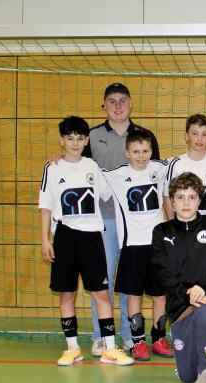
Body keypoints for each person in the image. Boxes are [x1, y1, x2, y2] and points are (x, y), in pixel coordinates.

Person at [39, 116, 133, 366]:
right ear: (61, 140)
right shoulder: (52, 168)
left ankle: (109, 348)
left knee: (101, 293)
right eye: (69, 138)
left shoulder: (92, 166)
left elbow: (107, 193)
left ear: (86, 140)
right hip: (65, 237)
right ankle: (72, 348)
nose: (74, 142)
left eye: (79, 138)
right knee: (66, 294)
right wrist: (45, 239)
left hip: (91, 237)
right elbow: (45, 206)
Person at [85, 83, 161, 355]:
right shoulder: (92, 136)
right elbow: (78, 166)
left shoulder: (144, 136)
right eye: (111, 101)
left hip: (137, 225)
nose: (117, 105)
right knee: (102, 279)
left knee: (133, 282)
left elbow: (155, 179)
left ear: (131, 103)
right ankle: (101, 335)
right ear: (104, 105)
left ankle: (131, 336)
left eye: (122, 100)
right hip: (103, 221)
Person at [150, 172, 206, 383]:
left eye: (192, 197)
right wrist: (186, 294)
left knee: (205, 312)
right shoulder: (161, 232)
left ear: (200, 200)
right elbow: (161, 272)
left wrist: (204, 288)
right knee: (186, 375)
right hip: (180, 304)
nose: (186, 203)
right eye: (180, 197)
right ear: (172, 201)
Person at [102, 130, 172, 361]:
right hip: (132, 246)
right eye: (136, 151)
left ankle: (159, 338)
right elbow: (86, 170)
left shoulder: (160, 169)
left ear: (151, 151)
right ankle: (138, 342)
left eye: (145, 151)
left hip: (157, 246)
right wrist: (60, 159)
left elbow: (186, 161)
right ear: (127, 153)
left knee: (160, 296)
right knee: (134, 296)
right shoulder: (116, 175)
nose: (141, 156)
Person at [163, 114, 206, 222]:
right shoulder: (176, 164)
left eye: (204, 134)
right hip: (183, 224)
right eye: (195, 133)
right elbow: (167, 197)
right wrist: (172, 225)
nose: (199, 138)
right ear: (186, 136)